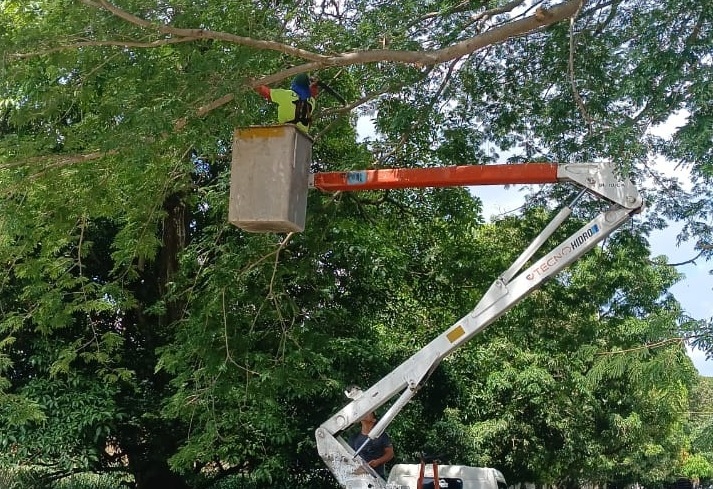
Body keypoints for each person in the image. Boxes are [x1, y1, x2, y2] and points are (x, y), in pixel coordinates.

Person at [254, 73, 319, 133]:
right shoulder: (312, 102)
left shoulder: (286, 94)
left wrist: (254, 83)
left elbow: (266, 92)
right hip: (302, 136)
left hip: (287, 131)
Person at [348, 411, 394, 478]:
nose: (365, 413)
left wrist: (377, 462)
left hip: (378, 477)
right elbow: (349, 457)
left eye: (369, 412)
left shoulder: (382, 436)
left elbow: (390, 453)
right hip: (359, 478)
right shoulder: (354, 438)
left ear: (374, 420)